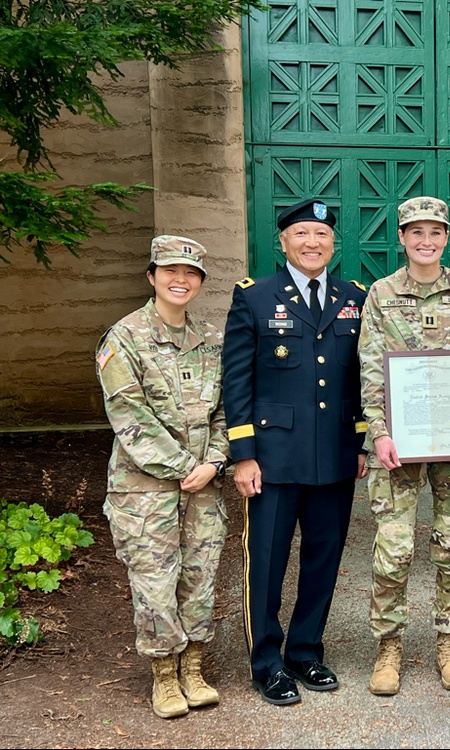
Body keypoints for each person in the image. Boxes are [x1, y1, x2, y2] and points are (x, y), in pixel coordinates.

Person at [222, 198, 368, 706]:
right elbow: (236, 380)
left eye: (322, 235)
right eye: (302, 234)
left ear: (334, 244)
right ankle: (266, 662)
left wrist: (361, 440)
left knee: (323, 558)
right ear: (283, 241)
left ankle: (305, 650)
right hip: (273, 456)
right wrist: (243, 453)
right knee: (265, 561)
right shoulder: (255, 297)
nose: (312, 243)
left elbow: (359, 378)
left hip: (333, 454)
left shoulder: (354, 297)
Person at [358, 196, 450, 696]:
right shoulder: (380, 293)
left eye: (435, 232)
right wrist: (378, 431)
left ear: (446, 237)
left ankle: (448, 643)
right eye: (415, 232)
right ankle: (389, 647)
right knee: (393, 548)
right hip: (398, 440)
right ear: (401, 237)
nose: (425, 241)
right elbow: (371, 367)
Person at [96, 236, 228, 719]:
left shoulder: (212, 340)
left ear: (199, 282)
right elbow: (129, 415)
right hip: (144, 490)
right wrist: (186, 467)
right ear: (151, 276)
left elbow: (225, 412)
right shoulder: (124, 338)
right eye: (170, 270)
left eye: (191, 273)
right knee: (154, 582)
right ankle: (164, 676)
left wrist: (214, 462)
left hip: (203, 487)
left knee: (200, 576)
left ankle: (193, 668)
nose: (181, 280)